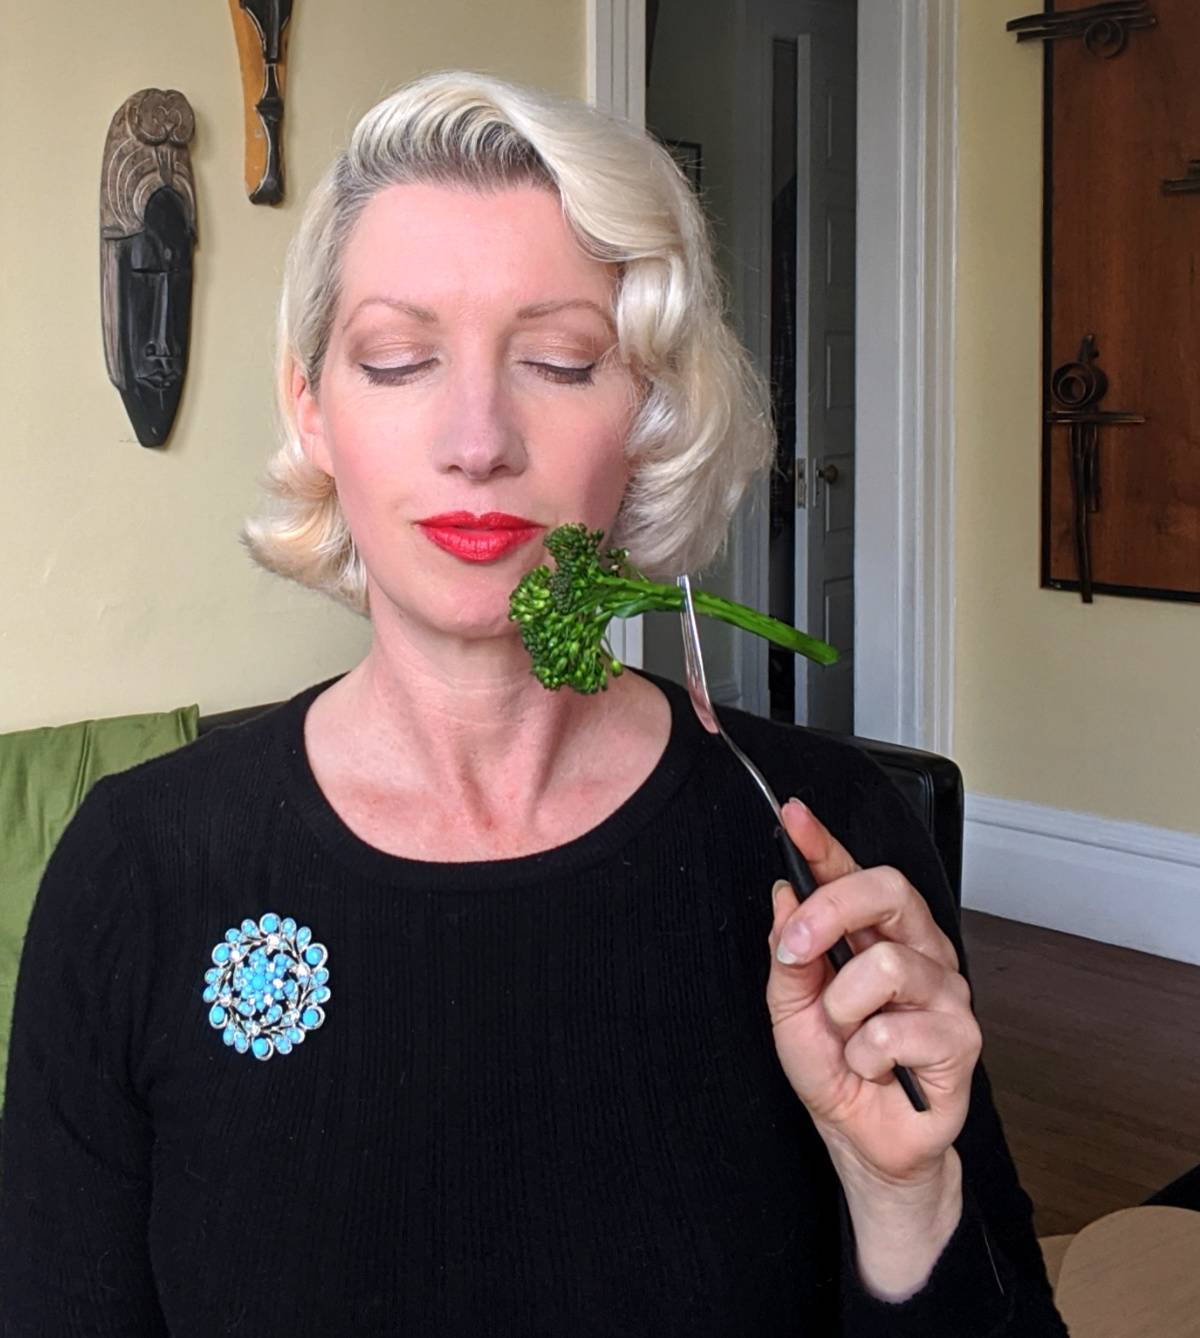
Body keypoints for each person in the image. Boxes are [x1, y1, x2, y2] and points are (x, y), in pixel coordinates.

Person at [0, 71, 1068, 1335]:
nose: (475, 437)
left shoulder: (823, 841)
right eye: (398, 360)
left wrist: (903, 1198)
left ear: (652, 416)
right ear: (314, 408)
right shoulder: (139, 869)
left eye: (560, 361)